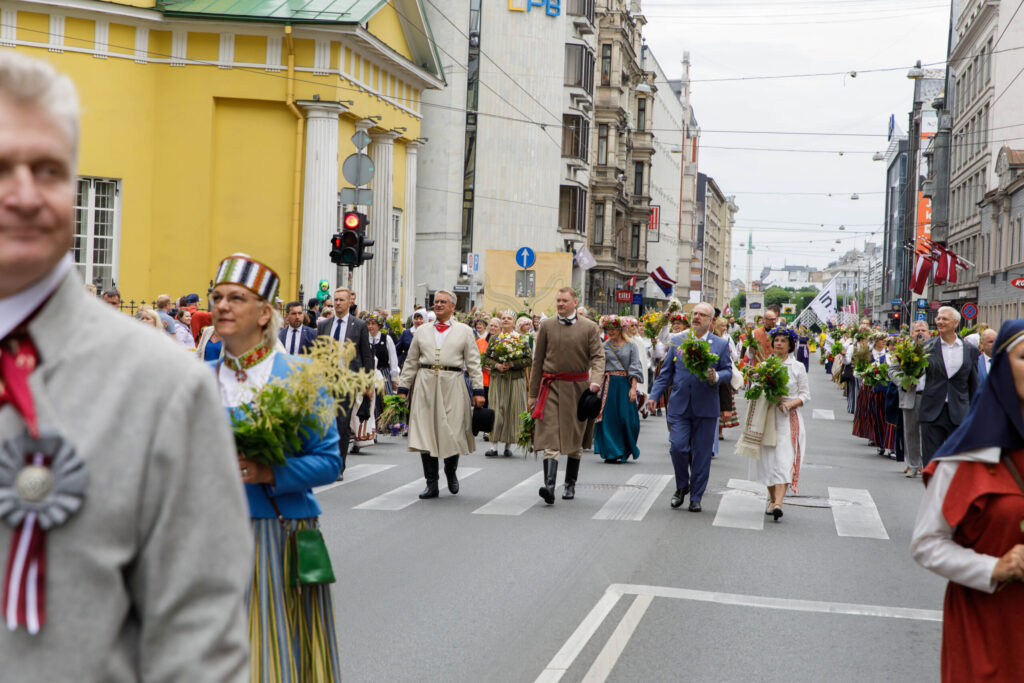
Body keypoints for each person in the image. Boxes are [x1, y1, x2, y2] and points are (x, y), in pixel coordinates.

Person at [0, 52, 251, 680]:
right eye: (2, 166)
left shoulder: (163, 389)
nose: (25, 194)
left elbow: (199, 644)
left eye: (50, 170)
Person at [209, 254, 342, 682]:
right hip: (204, 537)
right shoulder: (194, 378)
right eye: (217, 297)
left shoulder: (298, 376)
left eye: (236, 298)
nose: (223, 306)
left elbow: (328, 461)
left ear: (265, 314)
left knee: (270, 655)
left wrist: (270, 474)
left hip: (275, 536)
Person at [911, 319, 1024, 682]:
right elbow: (927, 544)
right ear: (1004, 367)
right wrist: (994, 568)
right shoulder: (968, 457)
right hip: (989, 624)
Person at [397, 289, 486, 498]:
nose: (438, 305)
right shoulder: (422, 331)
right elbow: (410, 362)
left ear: (453, 306)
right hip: (425, 384)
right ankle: (431, 483)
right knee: (425, 433)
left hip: (453, 384)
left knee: (453, 431)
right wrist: (402, 389)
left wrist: (478, 390)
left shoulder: (464, 331)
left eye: (443, 302)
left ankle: (451, 470)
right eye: (436, 302)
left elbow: (473, 363)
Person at [647, 302, 733, 512]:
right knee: (677, 447)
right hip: (679, 405)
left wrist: (717, 376)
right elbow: (665, 372)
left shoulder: (720, 344)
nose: (696, 317)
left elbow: (728, 372)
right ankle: (682, 485)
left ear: (711, 321)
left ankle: (696, 496)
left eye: (702, 315)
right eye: (694, 313)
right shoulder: (678, 341)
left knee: (702, 455)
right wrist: (653, 395)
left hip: (706, 407)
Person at [528, 287, 605, 504]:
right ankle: (550, 486)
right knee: (550, 435)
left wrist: (596, 380)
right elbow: (538, 361)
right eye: (558, 300)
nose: (560, 304)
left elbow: (598, 357)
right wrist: (533, 393)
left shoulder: (589, 327)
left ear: (574, 302)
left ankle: (570, 484)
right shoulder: (547, 325)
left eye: (564, 300)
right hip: (550, 387)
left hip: (578, 389)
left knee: (575, 439)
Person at [748, 328, 810, 521]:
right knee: (767, 461)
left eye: (783, 341)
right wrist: (764, 390)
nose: (779, 344)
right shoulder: (765, 365)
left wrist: (790, 403)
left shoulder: (797, 367)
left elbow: (805, 395)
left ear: (790, 345)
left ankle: (779, 503)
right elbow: (755, 389)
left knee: (784, 460)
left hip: (788, 419)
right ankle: (772, 498)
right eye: (776, 340)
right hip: (768, 416)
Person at [316, 287, 373, 480]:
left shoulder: (359, 325)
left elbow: (366, 356)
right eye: (336, 299)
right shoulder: (325, 325)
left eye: (342, 300)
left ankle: (338, 467)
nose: (338, 303)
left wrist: (368, 383)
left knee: (341, 423)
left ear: (350, 302)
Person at [918, 306, 979, 465]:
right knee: (931, 463)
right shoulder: (927, 347)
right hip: (932, 411)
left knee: (956, 464)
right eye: (938, 318)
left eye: (944, 319)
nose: (940, 322)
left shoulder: (970, 350)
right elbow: (916, 374)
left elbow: (973, 383)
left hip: (959, 412)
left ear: (956, 322)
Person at [593, 316, 642, 462]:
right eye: (608, 329)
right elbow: (598, 366)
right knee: (608, 419)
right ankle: (612, 452)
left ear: (621, 329)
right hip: (608, 385)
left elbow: (635, 367)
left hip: (624, 384)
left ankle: (624, 449)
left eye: (613, 328)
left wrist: (633, 388)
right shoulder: (604, 346)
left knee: (627, 419)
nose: (610, 331)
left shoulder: (631, 345)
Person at [482, 315, 531, 458]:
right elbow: (485, 358)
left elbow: (528, 359)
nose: (505, 320)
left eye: (509, 318)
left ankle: (508, 446)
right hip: (498, 378)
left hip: (516, 379)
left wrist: (512, 364)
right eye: (503, 318)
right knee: (496, 409)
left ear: (514, 322)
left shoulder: (521, 339)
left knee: (512, 409)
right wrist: (496, 365)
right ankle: (493, 446)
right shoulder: (495, 338)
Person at [898, 321, 930, 478]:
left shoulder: (934, 349)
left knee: (929, 433)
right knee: (911, 432)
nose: (920, 333)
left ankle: (927, 464)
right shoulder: (905, 349)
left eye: (923, 330)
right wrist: (903, 382)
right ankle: (912, 465)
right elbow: (892, 370)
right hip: (911, 395)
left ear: (929, 332)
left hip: (930, 397)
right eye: (917, 330)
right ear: (912, 333)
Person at [714, 316, 741, 436]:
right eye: (722, 326)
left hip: (726, 369)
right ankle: (716, 428)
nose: (724, 328)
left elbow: (735, 356)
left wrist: (729, 350)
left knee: (725, 398)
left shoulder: (728, 338)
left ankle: (720, 429)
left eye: (726, 326)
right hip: (715, 370)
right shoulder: (713, 337)